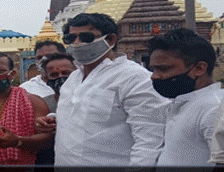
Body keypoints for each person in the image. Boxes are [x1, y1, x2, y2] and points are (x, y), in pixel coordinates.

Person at [38, 13, 170, 166]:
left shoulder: (134, 78)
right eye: (70, 39)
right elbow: (84, 116)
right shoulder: (73, 78)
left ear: (110, 39)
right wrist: (54, 119)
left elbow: (150, 142)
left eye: (86, 37)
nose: (77, 43)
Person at [147, 29, 223, 166]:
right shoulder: (184, 102)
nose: (154, 76)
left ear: (199, 68)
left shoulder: (214, 109)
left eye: (163, 68)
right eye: (153, 69)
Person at [20, 41, 66, 112]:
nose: (43, 60)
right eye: (39, 57)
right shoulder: (26, 89)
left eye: (49, 56)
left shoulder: (77, 82)